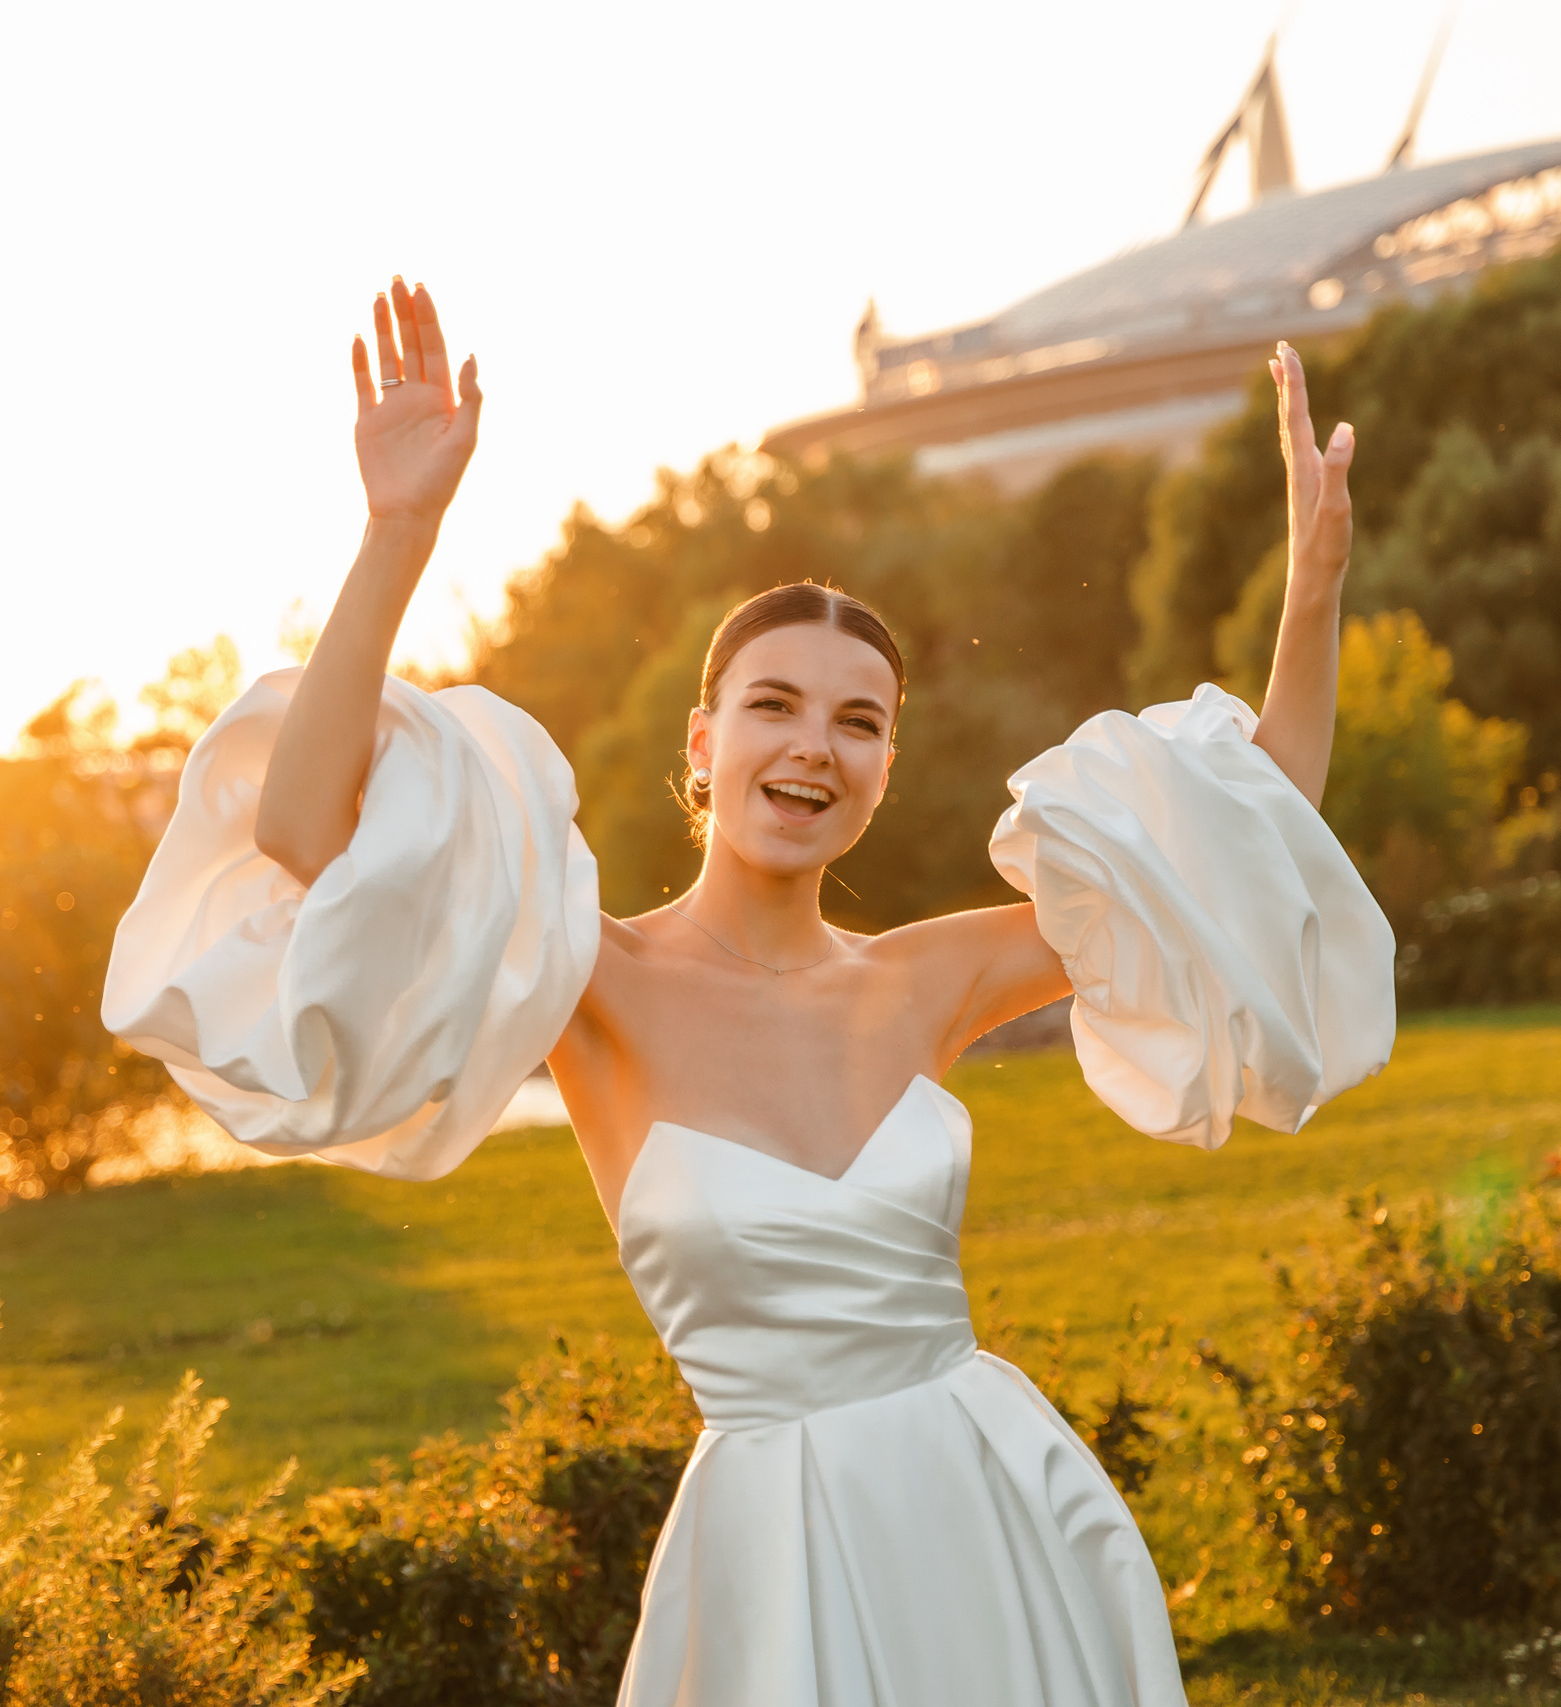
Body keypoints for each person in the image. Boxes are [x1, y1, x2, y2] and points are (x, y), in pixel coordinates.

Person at [103, 279, 1395, 1706]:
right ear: (704, 742)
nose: (815, 747)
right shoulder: (591, 973)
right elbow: (306, 833)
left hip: (989, 1512)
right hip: (774, 1564)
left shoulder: (931, 973)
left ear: (887, 769)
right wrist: (397, 534)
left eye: (860, 722)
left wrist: (1315, 592)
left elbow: (1246, 854)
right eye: (775, 704)